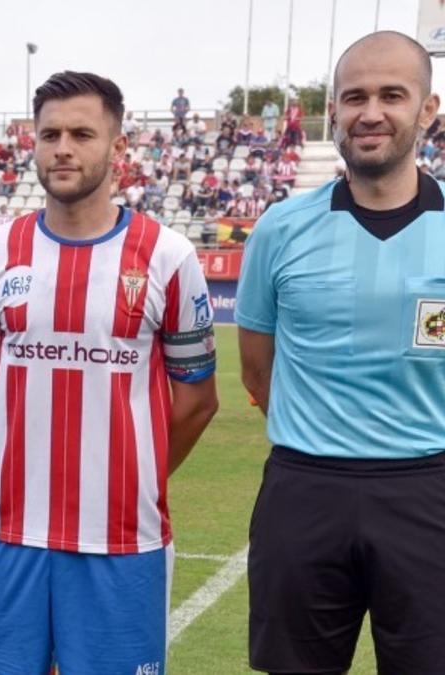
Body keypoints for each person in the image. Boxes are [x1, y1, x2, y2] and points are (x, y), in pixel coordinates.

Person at [0, 70, 218, 675]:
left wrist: (131, 468)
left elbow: (198, 400)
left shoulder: (168, 257)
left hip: (124, 538)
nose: (63, 148)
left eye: (81, 133)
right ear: (34, 144)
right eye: (50, 134)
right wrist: (33, 458)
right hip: (15, 533)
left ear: (117, 148)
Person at [237, 31, 445, 675]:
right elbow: (255, 366)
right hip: (305, 488)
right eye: (354, 97)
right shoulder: (280, 228)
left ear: (428, 109)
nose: (371, 112)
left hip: (429, 492)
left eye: (392, 95)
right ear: (334, 110)